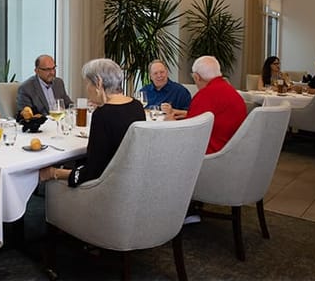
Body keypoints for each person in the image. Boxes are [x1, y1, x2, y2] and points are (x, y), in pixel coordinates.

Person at [39, 58, 146, 186]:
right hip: (132, 180)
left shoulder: (102, 115)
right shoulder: (137, 106)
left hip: (106, 188)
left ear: (99, 83)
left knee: (51, 180)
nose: (87, 88)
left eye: (88, 83)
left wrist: (54, 172)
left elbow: (92, 172)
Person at [169, 56, 247, 155]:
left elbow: (188, 133)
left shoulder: (204, 95)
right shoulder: (232, 92)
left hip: (210, 156)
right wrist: (187, 114)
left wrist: (171, 122)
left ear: (197, 77)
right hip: (233, 152)